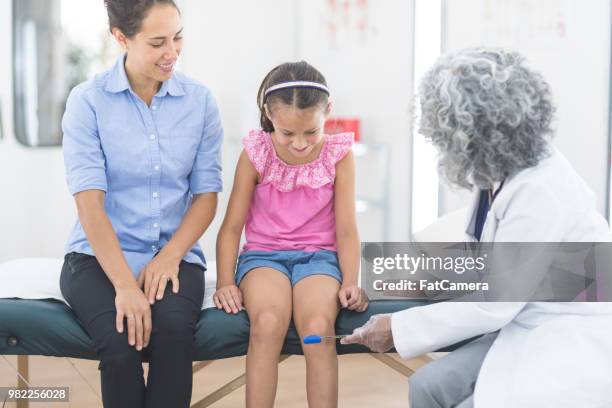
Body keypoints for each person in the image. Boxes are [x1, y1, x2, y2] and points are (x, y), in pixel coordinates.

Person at [342, 48, 612, 408]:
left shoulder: (542, 188)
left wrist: (398, 326)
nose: (443, 147)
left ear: (479, 130)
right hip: (523, 316)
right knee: (427, 386)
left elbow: (496, 301)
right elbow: (486, 258)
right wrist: (423, 278)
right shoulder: (499, 171)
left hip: (562, 330)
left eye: (445, 136)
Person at [60, 1, 223, 407]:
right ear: (121, 38)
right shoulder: (88, 103)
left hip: (174, 255)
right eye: (157, 42)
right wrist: (123, 286)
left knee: (173, 338)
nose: (173, 51)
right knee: (119, 346)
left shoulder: (200, 103)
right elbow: (90, 207)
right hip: (95, 260)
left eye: (178, 36)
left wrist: (170, 256)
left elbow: (206, 197)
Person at [214, 61, 369, 408]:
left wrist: (350, 281)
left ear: (327, 112)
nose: (300, 144)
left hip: (319, 258)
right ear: (269, 115)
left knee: (317, 327)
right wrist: (225, 280)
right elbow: (231, 227)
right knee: (267, 323)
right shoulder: (256, 153)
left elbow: (346, 228)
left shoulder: (339, 155)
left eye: (310, 132)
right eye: (287, 134)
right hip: (263, 258)